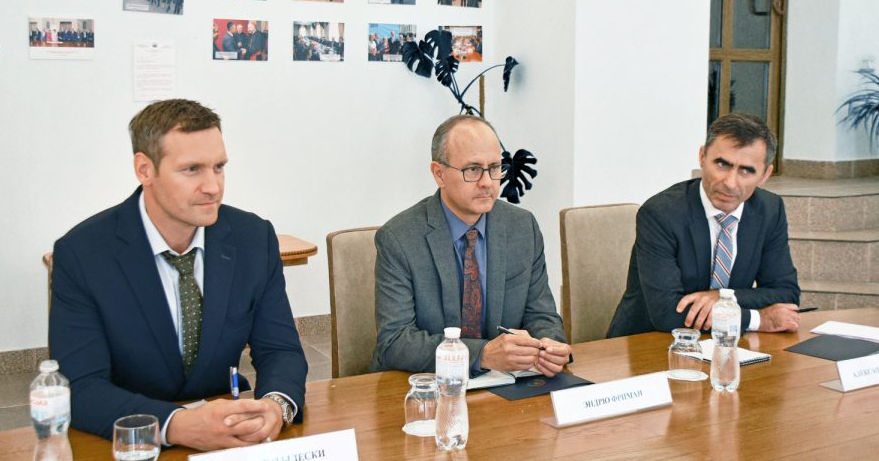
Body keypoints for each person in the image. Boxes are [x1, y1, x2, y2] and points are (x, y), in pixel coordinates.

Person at [49, 99, 308, 451]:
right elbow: (81, 388)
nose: (213, 186)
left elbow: (280, 350)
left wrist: (276, 406)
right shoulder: (83, 254)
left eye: (219, 167)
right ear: (145, 169)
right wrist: (175, 424)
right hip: (129, 444)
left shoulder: (253, 238)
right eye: (192, 170)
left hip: (230, 437)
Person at [372, 115, 572, 377]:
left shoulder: (522, 227)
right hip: (425, 386)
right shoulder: (399, 238)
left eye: (495, 168)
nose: (487, 182)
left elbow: (542, 315)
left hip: (509, 384)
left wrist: (550, 346)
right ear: (439, 174)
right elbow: (395, 342)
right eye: (473, 170)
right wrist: (482, 355)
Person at [607, 113, 801, 338]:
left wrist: (722, 297)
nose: (730, 183)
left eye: (746, 171)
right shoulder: (661, 213)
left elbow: (786, 294)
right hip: (648, 341)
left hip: (726, 345)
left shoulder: (769, 210)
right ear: (702, 157)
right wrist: (757, 319)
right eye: (722, 164)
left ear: (765, 174)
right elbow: (667, 312)